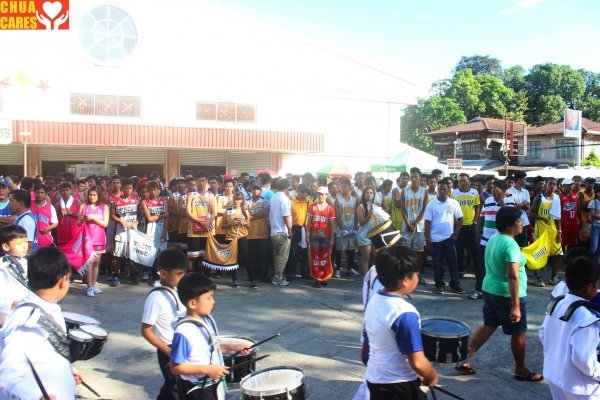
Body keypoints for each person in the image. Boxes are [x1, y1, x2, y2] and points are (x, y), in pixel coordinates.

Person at [456, 207, 542, 382]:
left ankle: (465, 360)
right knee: (518, 332)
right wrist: (516, 305)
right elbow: (512, 275)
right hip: (506, 295)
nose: (522, 224)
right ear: (510, 225)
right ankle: (520, 369)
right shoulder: (510, 245)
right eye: (519, 221)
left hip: (490, 289)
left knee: (488, 325)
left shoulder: (495, 238)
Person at [0, 246, 83, 399]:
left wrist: (66, 370)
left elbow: (40, 356)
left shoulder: (47, 308)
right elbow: (7, 375)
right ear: (62, 281)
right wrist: (35, 396)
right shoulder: (28, 323)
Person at [363, 245, 438, 400]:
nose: (417, 278)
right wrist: (431, 375)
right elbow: (417, 362)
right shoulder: (404, 313)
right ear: (405, 280)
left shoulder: (375, 299)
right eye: (416, 275)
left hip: (375, 379)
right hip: (399, 386)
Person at [170, 272, 249, 400]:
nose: (213, 302)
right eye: (208, 298)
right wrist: (206, 369)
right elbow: (176, 367)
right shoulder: (184, 332)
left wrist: (236, 347)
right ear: (192, 303)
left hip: (212, 383)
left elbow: (211, 347)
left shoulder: (206, 320)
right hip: (197, 389)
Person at [539, 249, 600, 399]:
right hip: (581, 387)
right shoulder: (587, 319)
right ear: (590, 287)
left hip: (555, 376)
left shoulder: (556, 304)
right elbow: (583, 360)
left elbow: (543, 333)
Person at [141, 248, 188, 400]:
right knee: (173, 387)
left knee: (181, 386)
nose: (183, 277)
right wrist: (169, 352)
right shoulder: (156, 297)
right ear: (163, 274)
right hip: (168, 349)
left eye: (184, 273)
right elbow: (146, 330)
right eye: (179, 274)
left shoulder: (177, 290)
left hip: (182, 345)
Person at [424, 180, 464, 294]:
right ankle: (439, 284)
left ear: (448, 190)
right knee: (437, 264)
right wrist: (428, 239)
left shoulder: (454, 203)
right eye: (440, 189)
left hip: (449, 239)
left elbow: (460, 219)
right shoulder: (431, 204)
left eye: (444, 189)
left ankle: (455, 284)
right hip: (435, 239)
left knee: (453, 262)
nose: (442, 191)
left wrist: (456, 233)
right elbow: (427, 223)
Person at [529, 177, 562, 286]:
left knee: (559, 253)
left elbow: (558, 217)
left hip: (553, 230)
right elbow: (531, 213)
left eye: (554, 184)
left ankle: (554, 276)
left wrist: (559, 231)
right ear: (546, 185)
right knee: (539, 254)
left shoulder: (557, 198)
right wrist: (542, 218)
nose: (552, 186)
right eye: (550, 184)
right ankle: (537, 276)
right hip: (541, 230)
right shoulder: (539, 198)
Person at [78, 185, 110, 296]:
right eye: (90, 195)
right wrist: (82, 220)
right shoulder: (83, 206)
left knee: (96, 263)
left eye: (94, 195)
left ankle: (94, 285)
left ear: (99, 195)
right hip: (87, 238)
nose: (91, 197)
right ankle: (89, 287)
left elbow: (105, 224)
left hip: (99, 238)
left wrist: (95, 218)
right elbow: (78, 223)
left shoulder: (104, 207)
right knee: (89, 263)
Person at [400, 167, 428, 284]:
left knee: (418, 251)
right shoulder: (404, 191)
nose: (414, 179)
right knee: (406, 250)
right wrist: (408, 223)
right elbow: (402, 209)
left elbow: (424, 210)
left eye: (416, 176)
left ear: (420, 178)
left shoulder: (424, 191)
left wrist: (415, 223)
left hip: (419, 226)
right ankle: (406, 274)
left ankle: (417, 274)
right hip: (406, 225)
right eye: (412, 177)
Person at [110, 178, 140, 286]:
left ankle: (133, 275)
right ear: (123, 188)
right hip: (120, 231)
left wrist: (137, 222)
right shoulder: (116, 201)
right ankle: (115, 276)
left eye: (130, 188)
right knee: (117, 255)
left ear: (133, 189)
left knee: (133, 255)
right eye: (126, 188)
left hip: (133, 231)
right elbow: (112, 215)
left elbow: (140, 214)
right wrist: (120, 221)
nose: (128, 190)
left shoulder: (136, 199)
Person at [224, 192, 257, 288]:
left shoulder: (245, 211)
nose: (236, 201)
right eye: (234, 199)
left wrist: (244, 223)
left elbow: (249, 226)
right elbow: (223, 226)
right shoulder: (228, 210)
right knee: (233, 259)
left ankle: (252, 280)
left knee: (246, 258)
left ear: (242, 200)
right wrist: (230, 224)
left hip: (242, 236)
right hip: (231, 237)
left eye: (238, 199)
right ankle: (234, 280)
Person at [0, 225, 30, 326]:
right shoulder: (3, 266)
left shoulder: (27, 262)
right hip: (10, 314)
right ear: (5, 246)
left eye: (25, 242)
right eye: (19, 243)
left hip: (25, 311)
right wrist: (12, 303)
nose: (24, 246)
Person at [307, 186, 336, 288]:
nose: (320, 196)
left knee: (324, 257)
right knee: (315, 257)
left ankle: (324, 278)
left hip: (326, 236)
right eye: (319, 194)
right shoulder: (312, 207)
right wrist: (307, 236)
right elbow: (308, 224)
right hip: (314, 236)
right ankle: (316, 278)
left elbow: (332, 225)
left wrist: (332, 238)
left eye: (322, 194)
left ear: (326, 195)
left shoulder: (330, 209)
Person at [452, 173, 480, 278]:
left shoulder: (474, 192)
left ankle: (478, 271)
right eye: (460, 181)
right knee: (459, 251)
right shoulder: (454, 193)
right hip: (459, 226)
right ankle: (460, 270)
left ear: (469, 182)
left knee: (474, 250)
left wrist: (475, 220)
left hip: (472, 226)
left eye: (464, 181)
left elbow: (477, 207)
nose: (462, 183)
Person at [334, 179, 359, 278]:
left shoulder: (354, 200)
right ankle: (338, 269)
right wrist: (341, 228)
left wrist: (356, 227)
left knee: (351, 250)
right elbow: (337, 215)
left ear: (349, 187)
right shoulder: (338, 200)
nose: (343, 188)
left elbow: (356, 215)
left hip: (351, 228)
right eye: (342, 186)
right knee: (339, 250)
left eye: (345, 186)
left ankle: (350, 268)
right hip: (342, 229)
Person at [269, 179, 293, 286]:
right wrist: (290, 229)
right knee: (282, 257)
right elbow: (286, 215)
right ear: (286, 187)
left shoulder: (274, 197)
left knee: (276, 256)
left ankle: (278, 275)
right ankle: (278, 277)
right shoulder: (284, 198)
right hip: (282, 231)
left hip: (274, 231)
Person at [356, 187, 379, 275]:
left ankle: (376, 276)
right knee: (365, 258)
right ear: (364, 195)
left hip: (374, 235)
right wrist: (370, 215)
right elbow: (361, 223)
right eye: (367, 193)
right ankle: (366, 279)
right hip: (364, 235)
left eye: (371, 193)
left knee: (377, 256)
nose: (369, 194)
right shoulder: (360, 207)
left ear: (373, 195)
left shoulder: (375, 207)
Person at [9, 189, 38, 254]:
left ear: (21, 203)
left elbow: (28, 245)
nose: (9, 204)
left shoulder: (26, 220)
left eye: (11, 201)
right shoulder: (22, 217)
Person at [30, 183, 58, 248]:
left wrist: (47, 228)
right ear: (34, 193)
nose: (39, 194)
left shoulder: (50, 207)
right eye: (37, 192)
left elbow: (55, 223)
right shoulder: (29, 204)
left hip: (45, 240)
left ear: (46, 194)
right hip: (31, 239)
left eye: (42, 192)